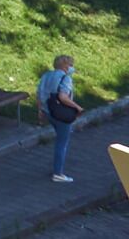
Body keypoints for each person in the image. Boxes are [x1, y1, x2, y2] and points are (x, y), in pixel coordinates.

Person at [37, 52, 79, 181]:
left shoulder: (46, 76)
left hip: (48, 112)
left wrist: (40, 111)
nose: (72, 68)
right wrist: (77, 107)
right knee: (62, 143)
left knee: (59, 140)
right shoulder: (66, 78)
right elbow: (63, 97)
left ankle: (57, 169)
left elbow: (39, 94)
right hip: (62, 114)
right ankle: (58, 173)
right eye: (71, 65)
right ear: (66, 67)